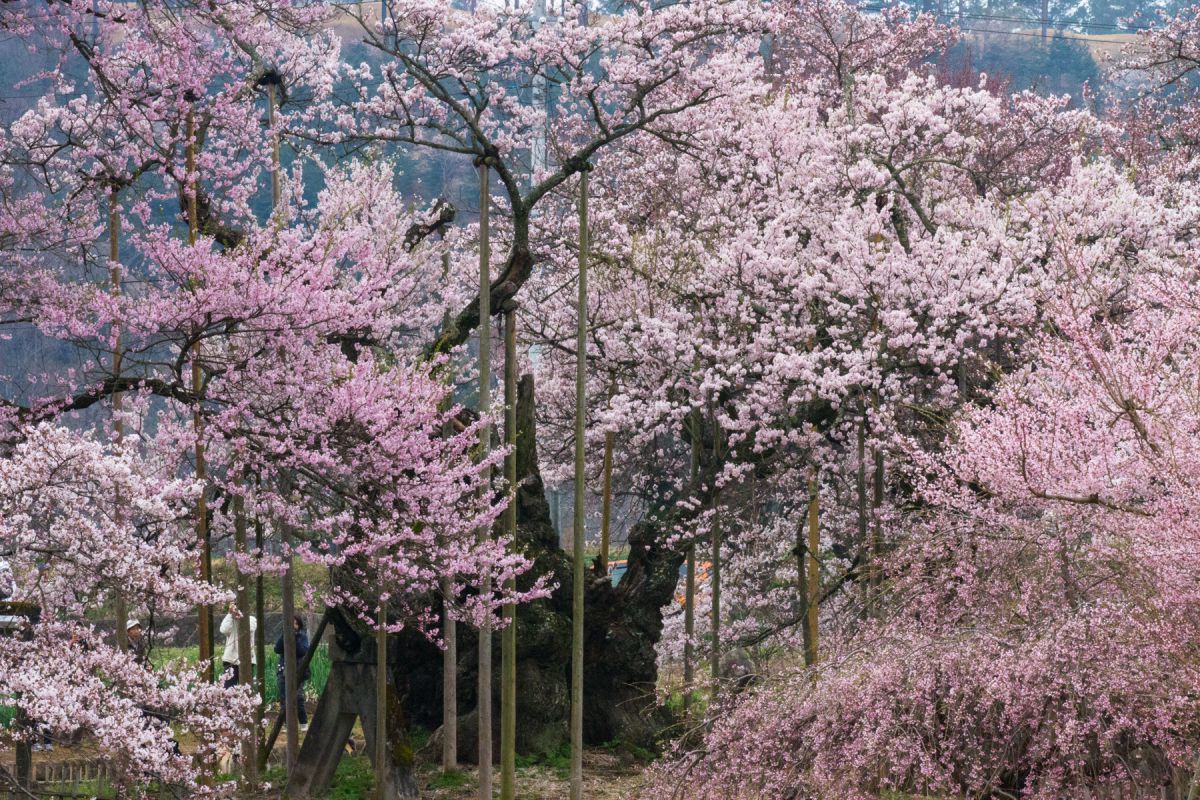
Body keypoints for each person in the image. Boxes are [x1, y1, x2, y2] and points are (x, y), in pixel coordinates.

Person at [274, 614, 310, 729]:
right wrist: (285, 636)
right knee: (284, 697)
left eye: (295, 623)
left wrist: (294, 638)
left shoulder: (302, 636)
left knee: (298, 696)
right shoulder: (284, 636)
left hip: (298, 670)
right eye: (290, 623)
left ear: (298, 625)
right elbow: (277, 649)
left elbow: (302, 651)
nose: (292, 626)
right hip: (283, 669)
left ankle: (303, 722)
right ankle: (286, 723)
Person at [219, 603, 257, 689]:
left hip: (247, 659)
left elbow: (250, 628)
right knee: (228, 688)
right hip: (230, 659)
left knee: (246, 688)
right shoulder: (231, 620)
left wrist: (240, 617)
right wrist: (230, 615)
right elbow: (224, 630)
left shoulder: (252, 619)